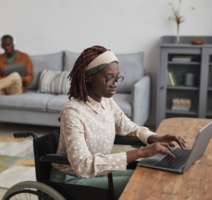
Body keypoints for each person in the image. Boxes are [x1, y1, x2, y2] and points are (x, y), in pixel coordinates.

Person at [50, 45, 186, 199]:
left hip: (101, 172)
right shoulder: (72, 111)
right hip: (72, 178)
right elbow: (83, 165)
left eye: (117, 77)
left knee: (150, 173)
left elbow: (130, 128)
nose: (115, 83)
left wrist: (154, 138)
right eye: (109, 78)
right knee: (145, 182)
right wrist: (140, 152)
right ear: (88, 77)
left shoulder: (107, 102)